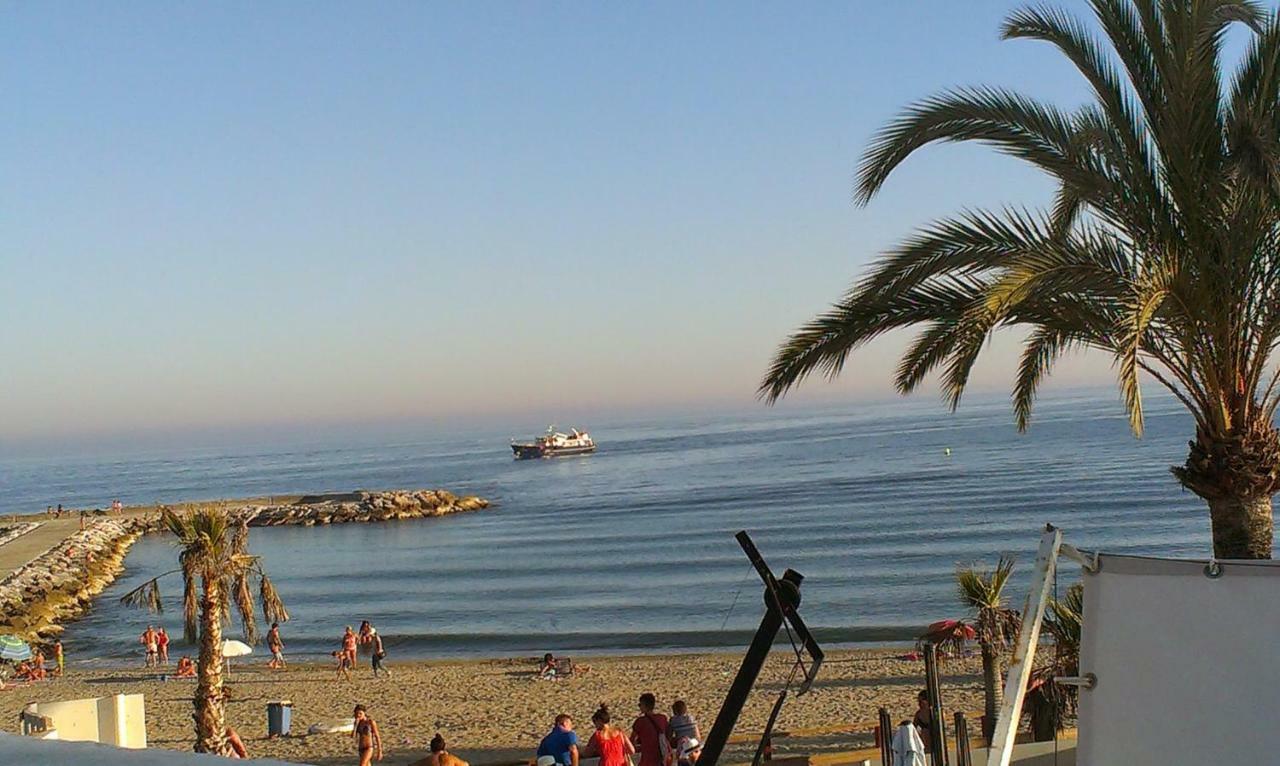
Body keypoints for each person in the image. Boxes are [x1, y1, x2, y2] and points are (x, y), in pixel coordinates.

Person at [631, 693, 669, 766]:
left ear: (644, 706)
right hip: (661, 757)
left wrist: (638, 748)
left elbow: (632, 740)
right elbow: (667, 733)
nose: (639, 707)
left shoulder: (640, 722)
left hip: (647, 759)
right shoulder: (662, 718)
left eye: (640, 705)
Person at [668, 700, 701, 765]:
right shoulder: (691, 718)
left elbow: (669, 736)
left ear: (674, 711)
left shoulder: (673, 720)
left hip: (684, 749)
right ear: (685, 709)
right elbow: (698, 735)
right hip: (695, 746)